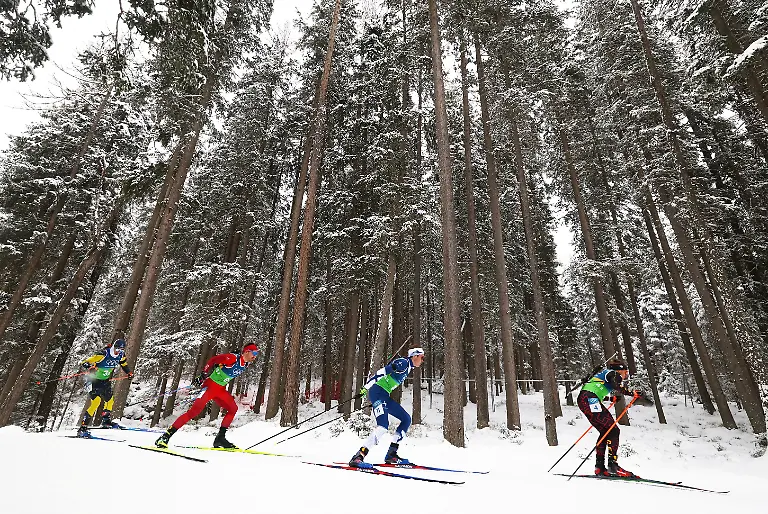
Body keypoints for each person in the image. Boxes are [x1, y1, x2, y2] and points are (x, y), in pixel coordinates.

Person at [155, 343, 259, 450]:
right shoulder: (233, 358)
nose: (255, 356)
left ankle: (220, 438)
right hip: (210, 387)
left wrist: (221, 365)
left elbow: (223, 367)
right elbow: (213, 360)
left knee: (233, 409)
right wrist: (204, 373)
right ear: (247, 352)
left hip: (220, 390)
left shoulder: (245, 364)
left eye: (257, 353)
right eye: (254, 353)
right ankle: (165, 436)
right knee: (193, 412)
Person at [348, 347, 425, 468]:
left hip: (384, 396)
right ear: (415, 356)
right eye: (422, 357)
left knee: (406, 419)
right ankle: (359, 456)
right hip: (377, 393)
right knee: (383, 426)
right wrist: (365, 388)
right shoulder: (403, 363)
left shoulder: (408, 367)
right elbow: (381, 372)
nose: (422, 360)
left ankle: (391, 454)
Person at [578, 357, 640, 478]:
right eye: (625, 372)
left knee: (605, 431)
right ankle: (613, 466)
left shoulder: (604, 375)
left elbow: (595, 391)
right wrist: (632, 393)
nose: (626, 375)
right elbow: (615, 385)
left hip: (585, 399)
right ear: (620, 370)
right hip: (590, 399)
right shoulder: (614, 374)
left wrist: (611, 399)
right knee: (614, 430)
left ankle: (600, 467)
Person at [77, 338, 133, 436]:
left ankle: (106, 421)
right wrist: (89, 366)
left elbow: (123, 363)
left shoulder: (121, 355)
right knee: (96, 401)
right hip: (93, 380)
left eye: (121, 350)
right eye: (117, 349)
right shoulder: (103, 354)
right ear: (113, 347)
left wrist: (129, 373)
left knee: (110, 400)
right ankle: (83, 427)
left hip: (105, 381)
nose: (118, 351)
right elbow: (86, 362)